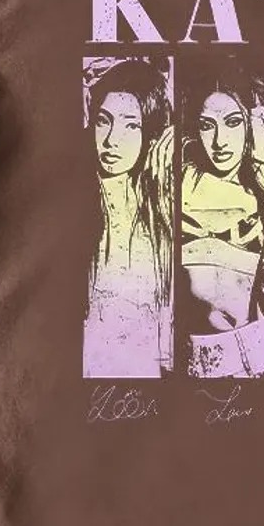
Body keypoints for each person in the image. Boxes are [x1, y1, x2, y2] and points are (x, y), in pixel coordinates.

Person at [81, 56, 174, 378]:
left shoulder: (159, 205)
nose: (111, 140)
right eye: (103, 121)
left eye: (130, 125)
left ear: (151, 134)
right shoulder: (77, 197)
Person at [179, 66, 264, 377]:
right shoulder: (178, 183)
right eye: (208, 126)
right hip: (191, 362)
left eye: (233, 123)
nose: (220, 141)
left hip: (254, 360)